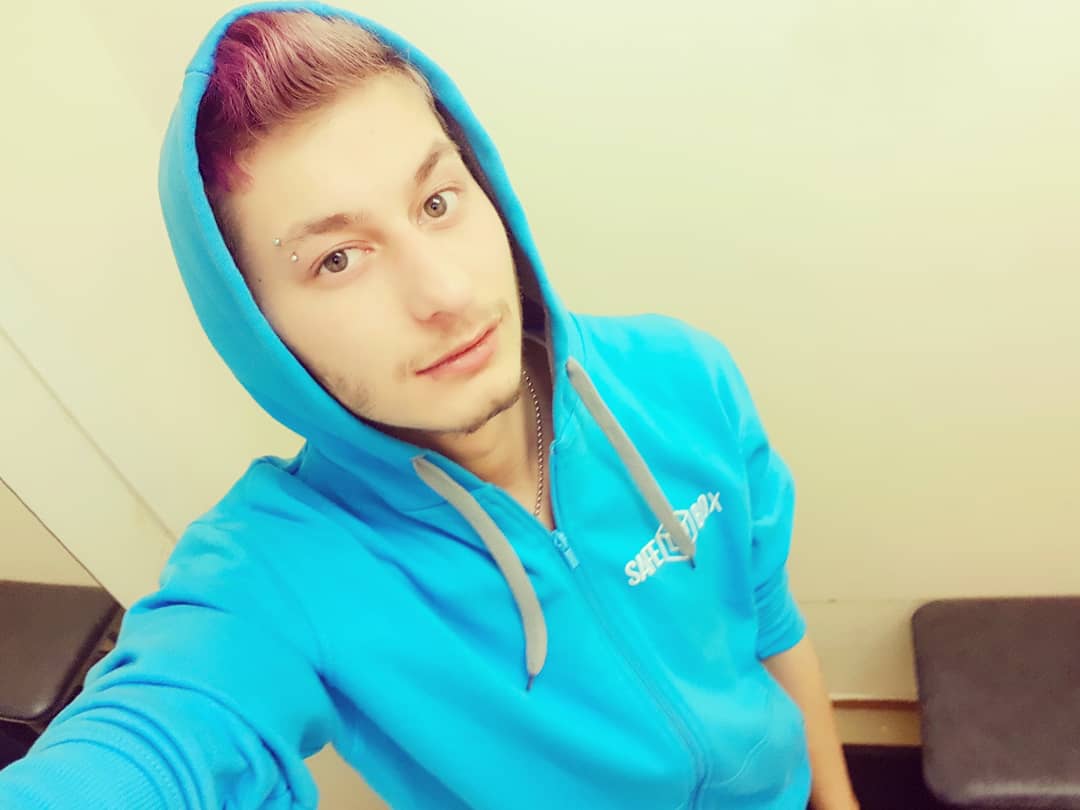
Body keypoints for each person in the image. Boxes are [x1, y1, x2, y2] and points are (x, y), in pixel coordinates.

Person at [0, 3, 859, 808]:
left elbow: (771, 624)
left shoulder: (682, 378)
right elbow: (153, 737)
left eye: (437, 202)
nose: (445, 293)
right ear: (259, 330)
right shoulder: (279, 569)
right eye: (338, 259)